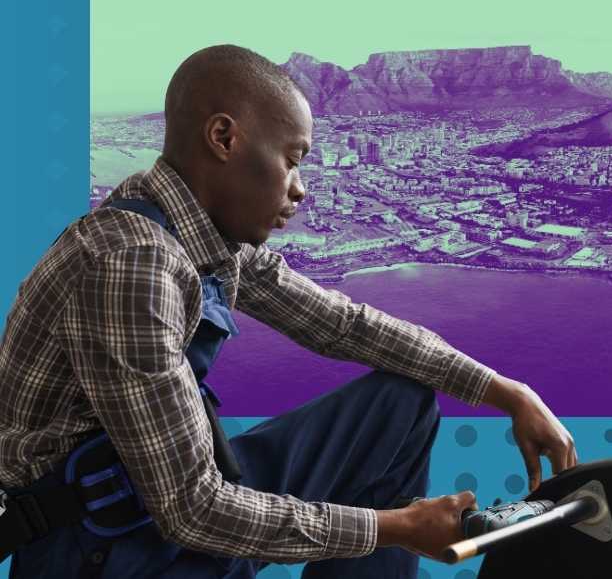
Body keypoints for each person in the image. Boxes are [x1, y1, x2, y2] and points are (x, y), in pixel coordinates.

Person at [0, 45, 577, 578]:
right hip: (103, 546)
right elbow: (192, 510)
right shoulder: (131, 266)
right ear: (223, 138)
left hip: (146, 494)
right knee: (357, 517)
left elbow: (343, 325)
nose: (300, 190)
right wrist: (395, 529)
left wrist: (506, 391)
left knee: (401, 404)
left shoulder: (196, 232)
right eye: (292, 159)